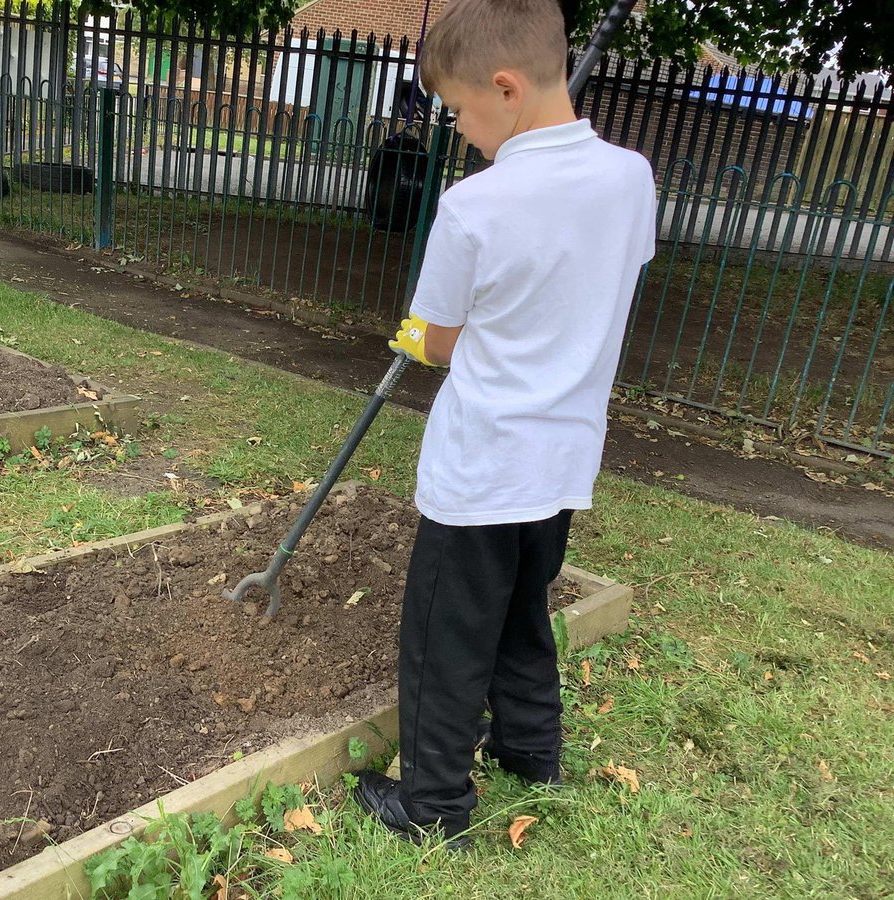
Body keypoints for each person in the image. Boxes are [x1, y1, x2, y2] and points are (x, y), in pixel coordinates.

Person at [354, 0, 657, 849]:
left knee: (444, 638)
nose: (458, 129)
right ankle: (531, 749)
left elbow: (438, 341)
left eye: (459, 110)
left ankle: (433, 805)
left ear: (506, 87)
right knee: (524, 607)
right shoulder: (631, 178)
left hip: (482, 466)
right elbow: (602, 277)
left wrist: (408, 333)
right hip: (561, 462)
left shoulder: (474, 205)